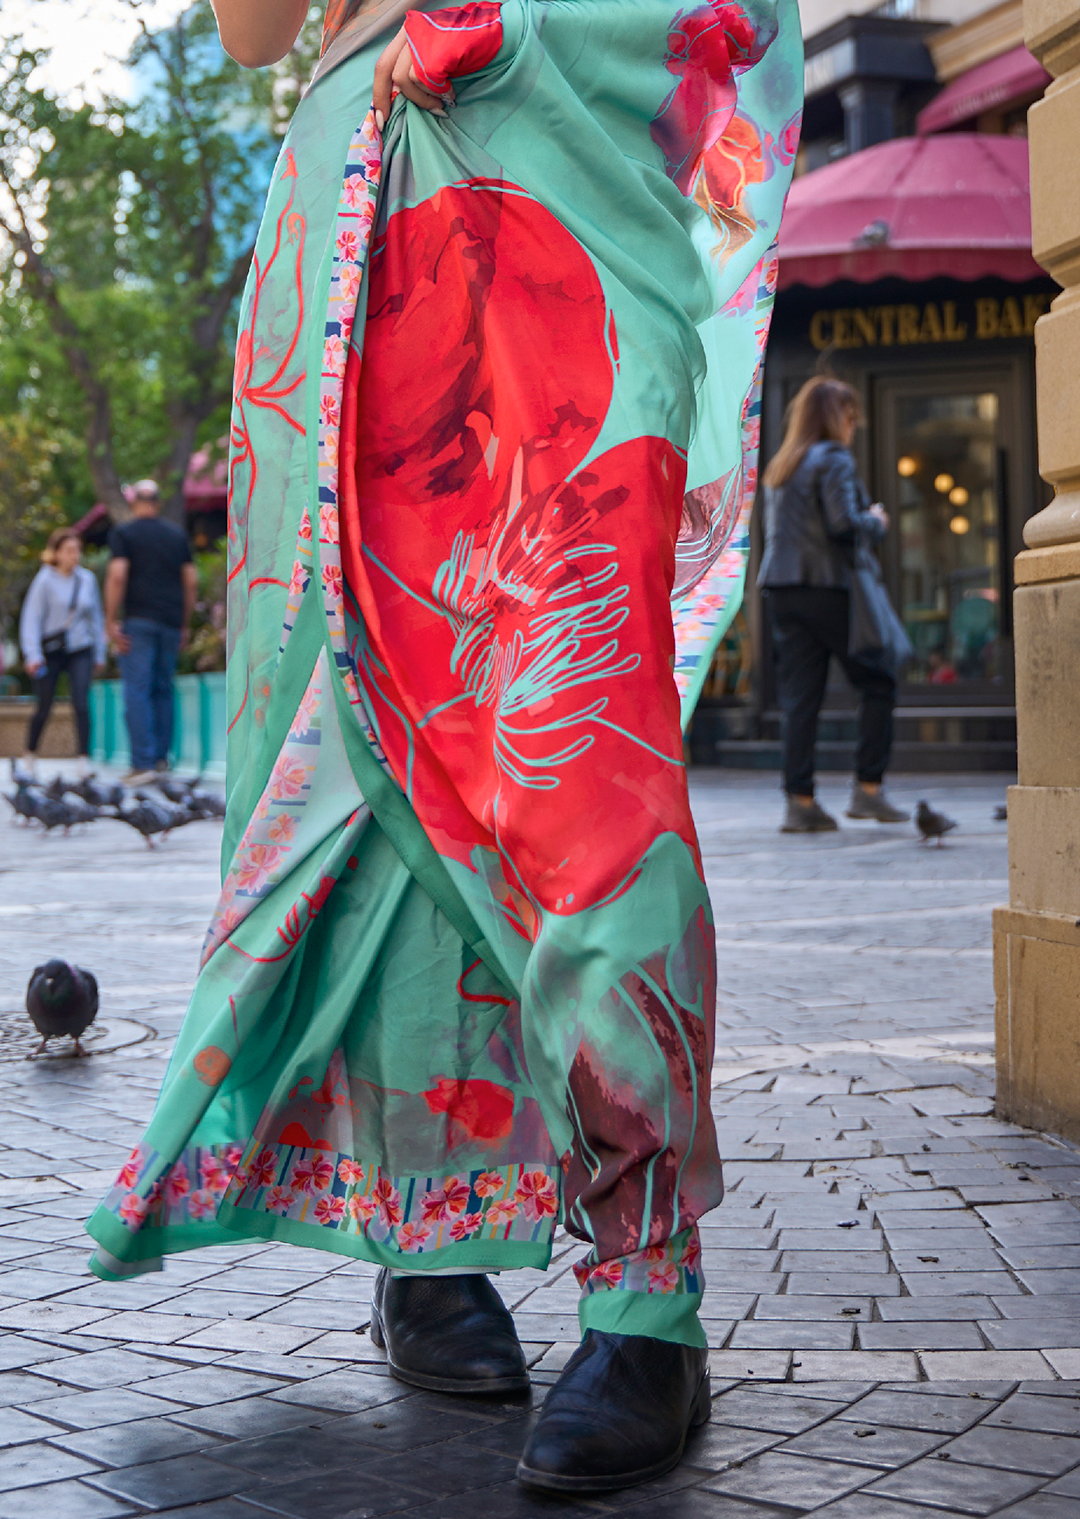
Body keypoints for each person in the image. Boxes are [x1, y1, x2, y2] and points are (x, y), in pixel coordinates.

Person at [87, 0, 802, 1494]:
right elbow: (247, 25)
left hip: (594, 135)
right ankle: (428, 1226)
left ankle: (644, 1294)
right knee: (351, 727)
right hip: (358, 191)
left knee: (582, 742)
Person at [759, 377, 909, 833]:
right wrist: (877, 521)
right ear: (835, 417)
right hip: (828, 588)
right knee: (879, 680)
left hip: (782, 590)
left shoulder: (782, 466)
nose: (854, 428)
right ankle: (868, 790)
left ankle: (799, 801)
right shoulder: (834, 459)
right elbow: (844, 525)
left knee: (801, 698)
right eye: (850, 418)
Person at [104, 479, 197, 784]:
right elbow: (191, 582)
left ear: (134, 503)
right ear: (157, 502)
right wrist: (183, 624)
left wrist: (110, 621)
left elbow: (117, 576)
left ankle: (142, 763)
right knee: (163, 689)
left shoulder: (124, 533)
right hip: (170, 622)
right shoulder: (177, 535)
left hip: (139, 621)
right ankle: (160, 760)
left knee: (138, 689)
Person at [19, 528, 105, 778]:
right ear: (56, 553)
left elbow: (96, 618)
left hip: (81, 648)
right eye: (69, 550)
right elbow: (31, 619)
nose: (74, 555)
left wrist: (99, 653)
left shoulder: (86, 579)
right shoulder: (44, 580)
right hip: (52, 651)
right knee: (44, 705)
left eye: (77, 550)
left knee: (81, 702)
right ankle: (30, 754)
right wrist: (32, 654)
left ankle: (83, 759)